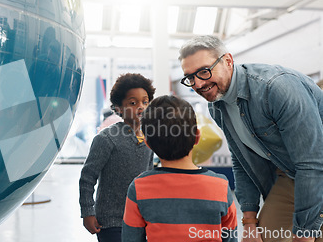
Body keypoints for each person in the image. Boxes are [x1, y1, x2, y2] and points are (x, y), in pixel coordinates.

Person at [178, 35, 323, 242]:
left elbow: (312, 163)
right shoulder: (217, 105)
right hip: (289, 174)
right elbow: (241, 159)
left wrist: (304, 233)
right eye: (190, 77)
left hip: (315, 168)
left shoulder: (276, 88)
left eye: (204, 71)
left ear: (228, 61)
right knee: (263, 238)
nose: (198, 84)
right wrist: (249, 222)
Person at [122, 95, 238, 242]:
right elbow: (230, 237)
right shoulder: (220, 186)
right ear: (197, 137)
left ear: (148, 144)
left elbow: (130, 238)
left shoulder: (139, 187)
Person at [79, 73, 156, 242]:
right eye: (133, 103)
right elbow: (87, 177)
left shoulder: (150, 137)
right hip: (110, 222)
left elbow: (149, 176)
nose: (141, 107)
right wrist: (87, 212)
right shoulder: (106, 138)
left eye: (145, 101)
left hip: (140, 219)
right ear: (119, 108)